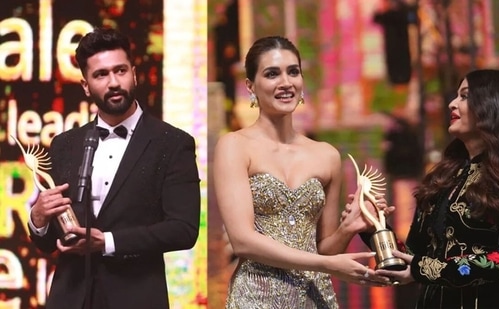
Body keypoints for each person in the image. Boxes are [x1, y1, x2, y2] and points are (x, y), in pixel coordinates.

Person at [27, 27, 201, 309]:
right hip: (69, 298)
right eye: (101, 75)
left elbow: (183, 229)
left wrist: (107, 242)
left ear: (134, 73)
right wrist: (38, 219)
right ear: (86, 85)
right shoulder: (65, 144)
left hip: (136, 297)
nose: (113, 82)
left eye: (120, 71)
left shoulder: (172, 143)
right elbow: (49, 243)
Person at [212, 36, 389, 308]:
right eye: (272, 74)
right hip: (257, 298)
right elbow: (242, 241)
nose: (286, 82)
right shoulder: (234, 146)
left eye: (293, 71)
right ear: (251, 86)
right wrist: (326, 264)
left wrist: (349, 228)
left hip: (315, 297)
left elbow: (325, 246)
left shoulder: (326, 155)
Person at [372, 69, 499, 308]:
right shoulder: (444, 175)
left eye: (464, 96)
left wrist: (428, 269)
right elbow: (414, 253)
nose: (452, 104)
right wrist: (374, 224)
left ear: (491, 105)